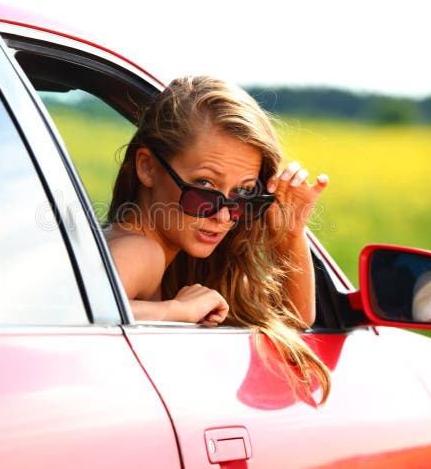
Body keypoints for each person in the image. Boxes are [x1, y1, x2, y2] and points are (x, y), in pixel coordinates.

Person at [103, 75, 331, 403]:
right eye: (205, 186)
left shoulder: (159, 250)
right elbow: (68, 316)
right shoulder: (141, 251)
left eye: (242, 194)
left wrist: (291, 231)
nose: (224, 216)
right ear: (148, 167)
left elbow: (296, 319)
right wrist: (175, 311)